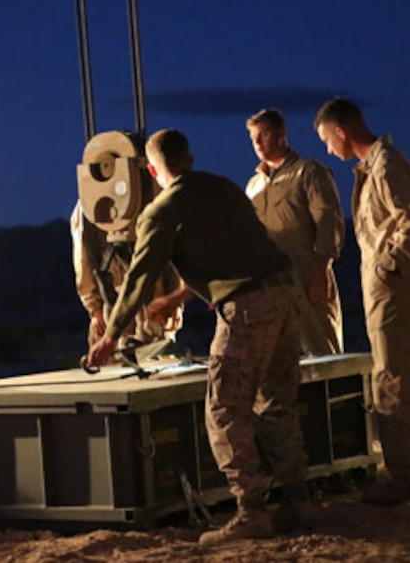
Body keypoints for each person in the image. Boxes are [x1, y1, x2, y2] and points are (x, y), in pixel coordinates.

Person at [88, 129, 312, 544]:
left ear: (153, 171)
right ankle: (298, 502)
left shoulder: (160, 211)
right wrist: (178, 298)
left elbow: (138, 278)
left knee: (224, 408)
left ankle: (250, 511)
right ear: (188, 159)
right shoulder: (224, 189)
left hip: (247, 307)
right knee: (277, 400)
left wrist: (111, 335)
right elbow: (235, 250)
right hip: (283, 293)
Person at [313, 98, 410, 505]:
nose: (327, 149)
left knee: (393, 380)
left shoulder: (387, 163)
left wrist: (389, 263)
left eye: (326, 140)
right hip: (393, 284)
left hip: (397, 286)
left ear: (341, 131)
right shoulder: (374, 166)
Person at [245, 108, 344, 356]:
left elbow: (327, 220)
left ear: (281, 134)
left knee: (321, 345)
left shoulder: (308, 172)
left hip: (305, 274)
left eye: (264, 134)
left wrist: (321, 269)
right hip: (268, 283)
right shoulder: (254, 185)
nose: (257, 142)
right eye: (253, 137)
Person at [70, 200, 181, 349]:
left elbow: (174, 252)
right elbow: (84, 260)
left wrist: (176, 302)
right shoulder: (90, 201)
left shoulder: (154, 193)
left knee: (157, 361)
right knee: (112, 364)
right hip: (111, 306)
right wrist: (95, 309)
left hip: (154, 307)